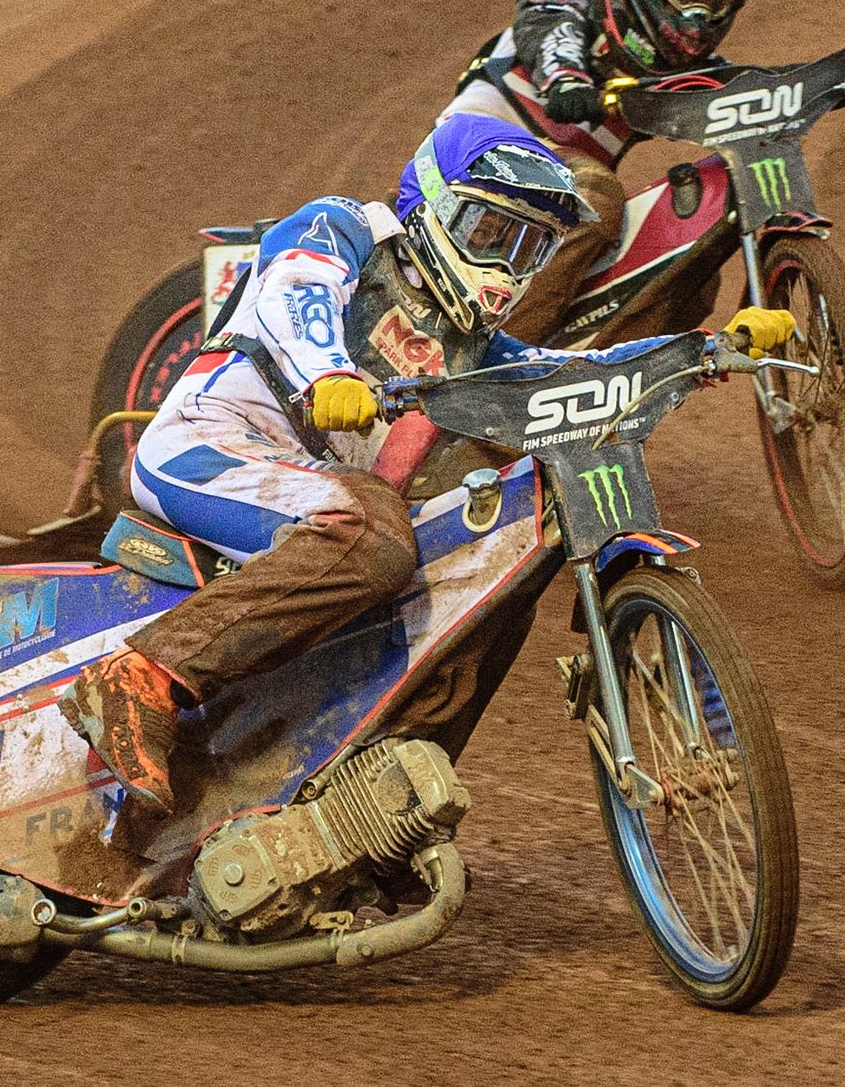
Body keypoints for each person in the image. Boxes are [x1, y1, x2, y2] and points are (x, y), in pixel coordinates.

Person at [60, 114, 793, 813]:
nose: (506, 267)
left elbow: (564, 372)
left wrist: (703, 350)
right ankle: (140, 675)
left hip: (314, 486)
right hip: (210, 443)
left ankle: (383, 803)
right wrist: (328, 374)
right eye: (492, 232)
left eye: (528, 249)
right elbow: (297, 291)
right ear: (434, 207)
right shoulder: (347, 227)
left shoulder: (474, 348)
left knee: (494, 577)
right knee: (370, 533)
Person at [437, 0, 778, 342]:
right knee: (595, 196)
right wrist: (565, 79)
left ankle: (597, 375)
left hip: (554, 192)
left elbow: (757, 88)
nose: (703, 9)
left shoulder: (692, 67)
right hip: (473, 147)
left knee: (687, 259)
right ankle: (485, 357)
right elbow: (549, 17)